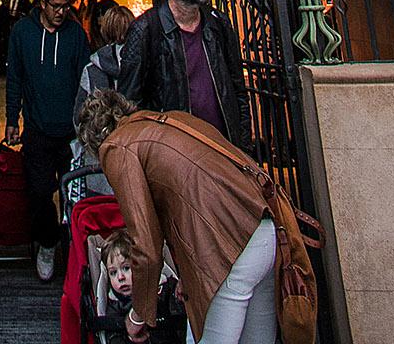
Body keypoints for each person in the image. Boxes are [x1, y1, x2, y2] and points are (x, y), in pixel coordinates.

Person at [76, 87, 316, 344]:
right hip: (264, 229)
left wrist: (139, 314)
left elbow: (145, 243)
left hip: (227, 250)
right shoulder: (172, 121)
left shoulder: (116, 147)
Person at [118, 0, 253, 152]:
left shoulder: (218, 25)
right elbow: (130, 104)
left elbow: (238, 90)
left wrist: (243, 147)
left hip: (223, 146)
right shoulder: (147, 29)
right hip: (176, 153)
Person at [5, 0, 91, 280]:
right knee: (39, 193)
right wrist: (11, 118)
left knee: (74, 196)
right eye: (55, 6)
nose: (60, 12)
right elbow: (14, 77)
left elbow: (86, 79)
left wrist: (87, 121)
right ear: (42, 4)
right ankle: (47, 243)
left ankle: (75, 255)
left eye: (65, 7)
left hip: (71, 131)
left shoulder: (76, 34)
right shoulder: (23, 33)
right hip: (38, 129)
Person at [73, 2, 134, 133]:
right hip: (137, 140)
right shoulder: (145, 63)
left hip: (103, 144)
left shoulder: (91, 69)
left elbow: (79, 118)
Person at [101, 229, 137, 325]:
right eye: (113, 273)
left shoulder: (163, 291)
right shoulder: (114, 307)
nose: (120, 277)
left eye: (126, 268)